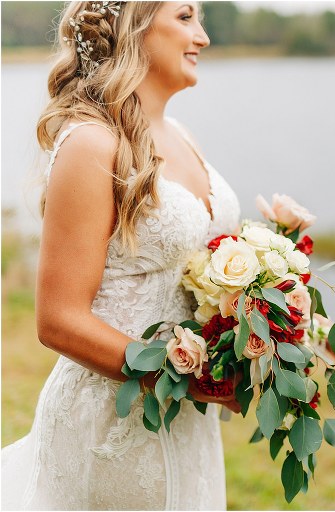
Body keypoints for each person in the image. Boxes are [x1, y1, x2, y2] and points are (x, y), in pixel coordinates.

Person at [1, 2, 242, 509]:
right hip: (111, 423)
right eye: (185, 17)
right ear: (132, 23)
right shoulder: (91, 142)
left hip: (185, 422)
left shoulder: (182, 137)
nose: (202, 35)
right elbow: (59, 320)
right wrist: (188, 378)